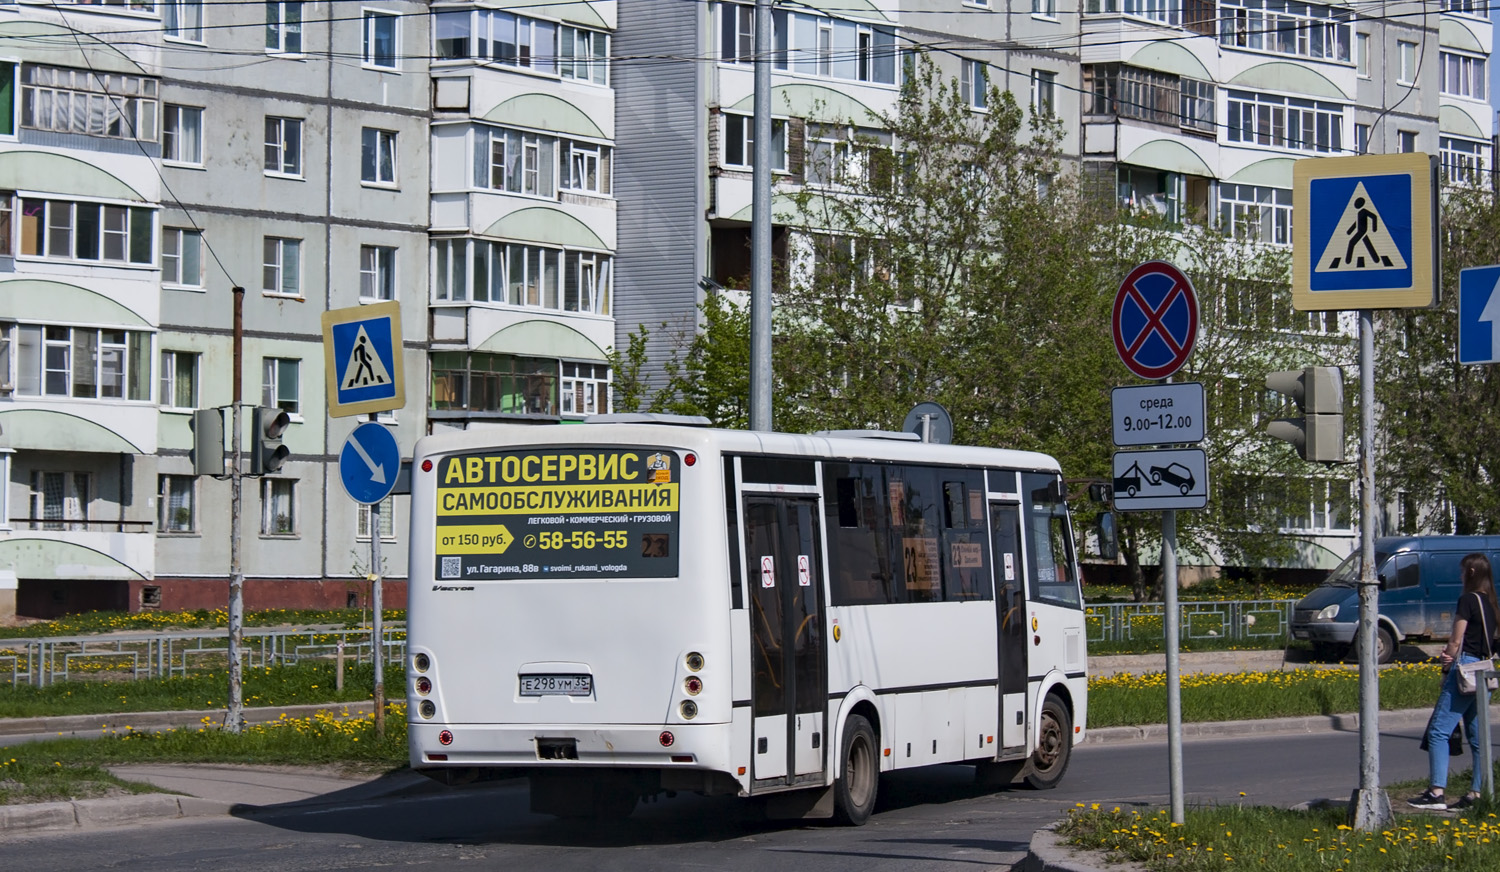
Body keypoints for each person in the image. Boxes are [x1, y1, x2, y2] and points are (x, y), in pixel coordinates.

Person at [1409, 552, 1499, 810]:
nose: (1460, 576)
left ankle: (1436, 792)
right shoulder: (1491, 604)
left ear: (1471, 572)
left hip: (1465, 669)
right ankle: (1477, 794)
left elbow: (1455, 640)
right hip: (1484, 670)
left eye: (1462, 571)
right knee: (1478, 736)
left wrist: (1446, 665)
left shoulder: (1467, 600)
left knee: (1439, 731)